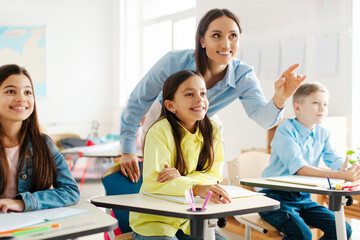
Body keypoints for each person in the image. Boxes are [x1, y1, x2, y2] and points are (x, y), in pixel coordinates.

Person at [120, 8, 307, 183]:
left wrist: (280, 98)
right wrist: (127, 150)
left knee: (212, 139)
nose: (226, 44)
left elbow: (265, 120)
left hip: (203, 116)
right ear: (202, 40)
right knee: (163, 177)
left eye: (233, 36)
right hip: (164, 113)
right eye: (216, 35)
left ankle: (205, 206)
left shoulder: (243, 74)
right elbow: (139, 99)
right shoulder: (173, 62)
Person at [129, 70, 231, 240]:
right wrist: (196, 187)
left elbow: (214, 176)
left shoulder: (211, 130)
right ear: (170, 105)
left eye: (203, 93)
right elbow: (157, 184)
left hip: (190, 220)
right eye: (189, 94)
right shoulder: (159, 131)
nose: (199, 99)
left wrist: (181, 179)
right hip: (155, 222)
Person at [259, 82, 360, 240]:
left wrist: (351, 171)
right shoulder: (285, 130)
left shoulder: (322, 133)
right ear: (297, 108)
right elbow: (300, 168)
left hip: (303, 198)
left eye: (325, 104)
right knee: (302, 235)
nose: (322, 109)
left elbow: (336, 160)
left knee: (343, 230)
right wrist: (340, 175)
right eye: (316, 103)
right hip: (273, 197)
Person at [0, 64, 80, 213]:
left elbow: (70, 191)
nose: (21, 99)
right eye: (11, 91)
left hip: (31, 228)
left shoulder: (44, 144)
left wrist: (23, 203)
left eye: (27, 92)